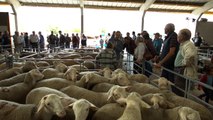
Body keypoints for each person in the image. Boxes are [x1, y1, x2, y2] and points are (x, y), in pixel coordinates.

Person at [173, 28, 198, 97]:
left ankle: (179, 103)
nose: (177, 37)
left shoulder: (188, 45)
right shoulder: (184, 44)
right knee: (178, 87)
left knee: (179, 89)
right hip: (180, 69)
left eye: (178, 35)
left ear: (182, 36)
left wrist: (183, 63)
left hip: (182, 69)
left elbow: (190, 55)